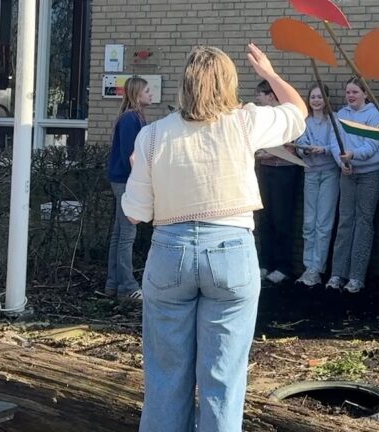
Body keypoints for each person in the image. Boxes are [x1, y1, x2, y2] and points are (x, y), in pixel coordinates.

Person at [123, 44, 306, 432]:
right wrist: (270, 73)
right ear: (229, 83)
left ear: (185, 84)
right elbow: (298, 113)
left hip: (170, 251)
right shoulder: (245, 122)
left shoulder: (152, 136)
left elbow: (135, 213)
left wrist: (141, 169)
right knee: (223, 380)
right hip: (231, 249)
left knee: (165, 376)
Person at [326, 78, 379, 293]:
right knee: (345, 221)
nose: (350, 96)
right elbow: (334, 142)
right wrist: (342, 163)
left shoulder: (374, 115)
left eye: (355, 92)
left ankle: (356, 276)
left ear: (365, 94)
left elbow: (372, 144)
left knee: (364, 222)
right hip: (347, 173)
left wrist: (353, 156)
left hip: (370, 173)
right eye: (348, 92)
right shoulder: (340, 115)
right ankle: (337, 273)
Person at [105, 76, 151, 302]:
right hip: (126, 182)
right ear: (137, 94)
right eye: (147, 91)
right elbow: (130, 155)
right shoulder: (131, 119)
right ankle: (128, 286)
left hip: (121, 180)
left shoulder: (132, 118)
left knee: (119, 232)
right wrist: (140, 180)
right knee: (127, 235)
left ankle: (113, 284)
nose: (151, 94)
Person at [253, 80, 303, 284]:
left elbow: (293, 144)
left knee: (282, 218)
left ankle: (283, 266)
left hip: (284, 171)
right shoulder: (262, 116)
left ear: (271, 95)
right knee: (264, 217)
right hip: (264, 169)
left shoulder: (285, 115)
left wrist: (270, 152)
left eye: (260, 95)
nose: (257, 98)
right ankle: (265, 263)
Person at [295, 84, 342, 287]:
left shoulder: (334, 120)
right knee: (309, 222)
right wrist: (305, 150)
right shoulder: (305, 122)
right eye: (313, 97)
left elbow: (338, 144)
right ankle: (308, 267)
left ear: (327, 100)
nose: (316, 100)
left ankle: (317, 268)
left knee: (323, 223)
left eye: (320, 97)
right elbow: (299, 144)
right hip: (311, 173)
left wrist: (324, 150)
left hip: (330, 173)